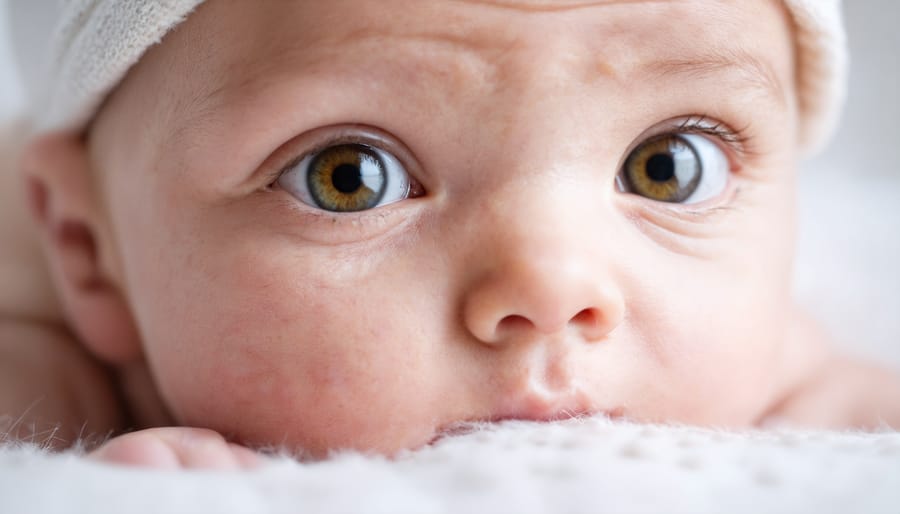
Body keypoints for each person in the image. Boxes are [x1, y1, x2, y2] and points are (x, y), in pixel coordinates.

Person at [1, 0, 898, 470]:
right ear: (90, 248)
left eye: (670, 166)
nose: (555, 288)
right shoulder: (39, 371)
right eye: (348, 177)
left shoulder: (759, 348)